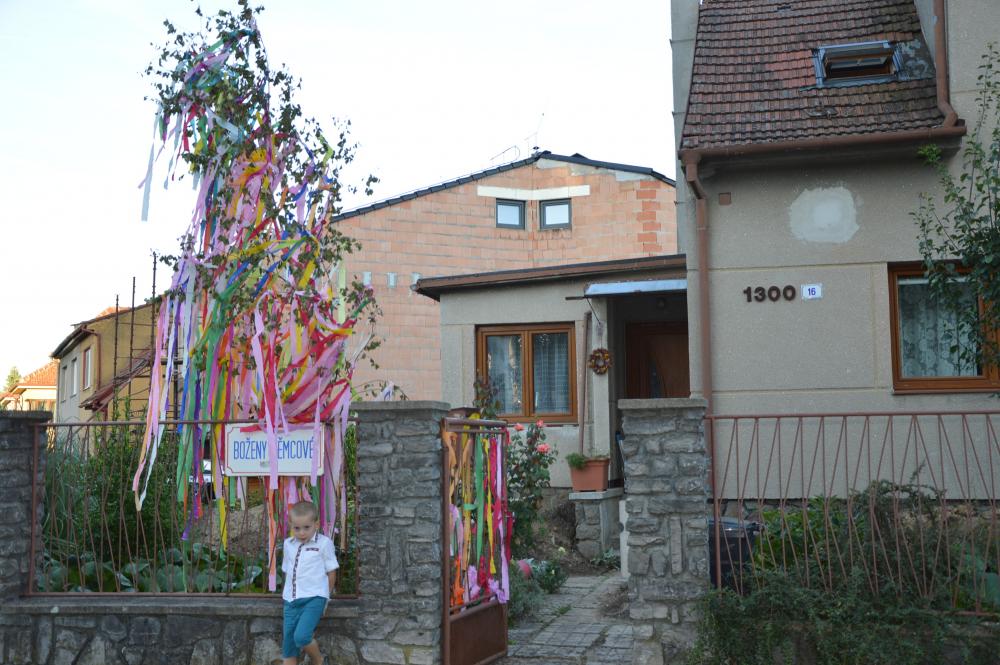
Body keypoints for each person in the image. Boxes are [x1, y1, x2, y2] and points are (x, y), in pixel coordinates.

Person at [279, 501, 338, 665]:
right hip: (290, 600)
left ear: (316, 524)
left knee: (301, 637)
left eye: (306, 527)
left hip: (314, 598)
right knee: (288, 646)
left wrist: (326, 598)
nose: (302, 532)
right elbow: (288, 571)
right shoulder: (288, 544)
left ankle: (320, 661)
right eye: (297, 528)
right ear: (291, 525)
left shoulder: (324, 543)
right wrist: (287, 595)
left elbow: (331, 572)